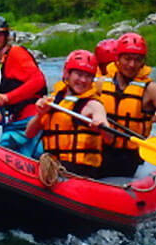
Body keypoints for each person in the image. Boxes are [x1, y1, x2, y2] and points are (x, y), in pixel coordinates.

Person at [98, 32, 156, 178]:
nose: (132, 65)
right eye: (127, 59)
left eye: (137, 60)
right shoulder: (100, 84)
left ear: (143, 61)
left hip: (131, 156)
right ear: (117, 58)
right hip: (100, 151)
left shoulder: (151, 89)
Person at [25, 50, 112, 179]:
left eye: (88, 76)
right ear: (67, 73)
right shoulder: (53, 100)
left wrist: (100, 126)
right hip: (53, 167)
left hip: (81, 172)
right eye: (79, 74)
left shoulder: (93, 104)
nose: (83, 80)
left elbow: (108, 135)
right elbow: (29, 133)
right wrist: (40, 115)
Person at [0, 15, 47, 156]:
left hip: (29, 122)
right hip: (12, 123)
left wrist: (7, 97)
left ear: (6, 36)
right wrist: (0, 113)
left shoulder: (16, 53)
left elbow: (38, 80)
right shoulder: (1, 65)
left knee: (4, 156)